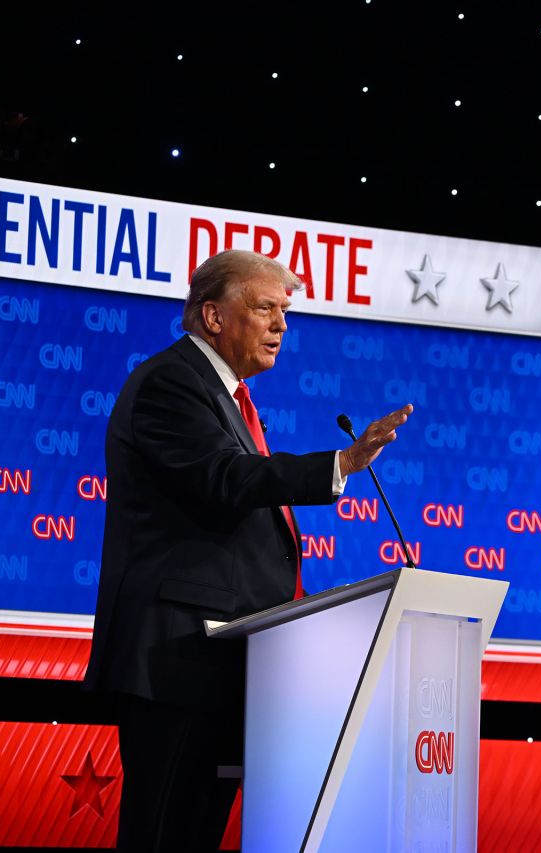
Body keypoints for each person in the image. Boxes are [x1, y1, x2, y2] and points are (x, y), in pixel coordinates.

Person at [84, 250, 414, 852]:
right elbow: (225, 479)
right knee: (161, 837)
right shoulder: (171, 382)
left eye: (284, 311)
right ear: (213, 315)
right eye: (265, 308)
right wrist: (339, 464)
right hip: (176, 660)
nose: (281, 325)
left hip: (221, 665)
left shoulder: (223, 394)